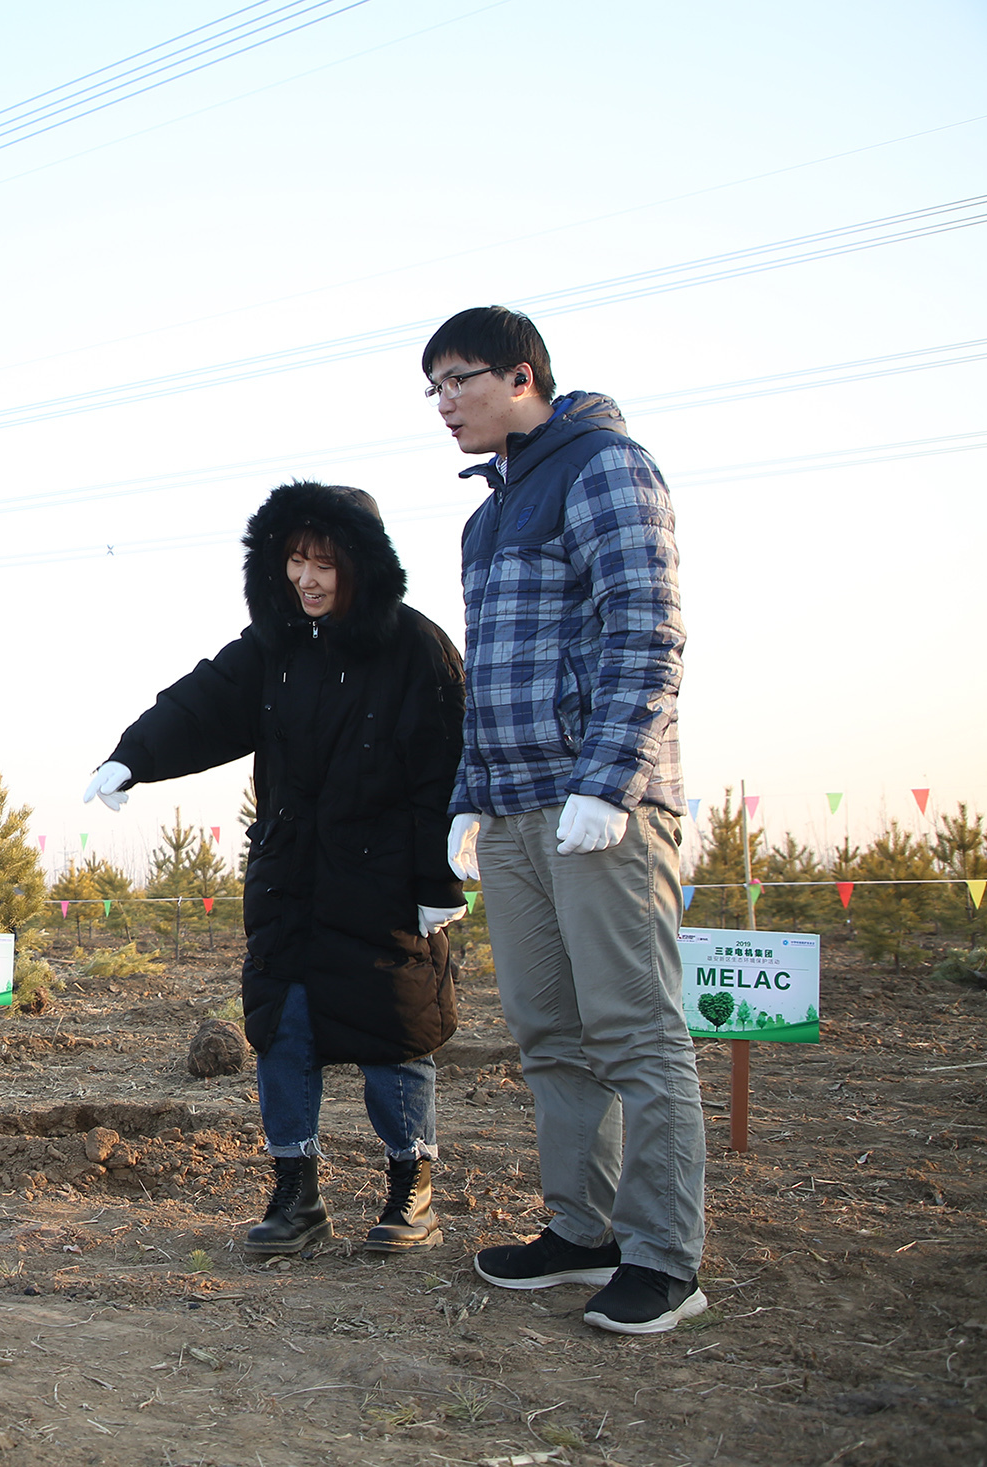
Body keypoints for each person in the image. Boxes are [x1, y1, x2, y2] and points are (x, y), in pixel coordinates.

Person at [82, 482, 467, 1254]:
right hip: (291, 882)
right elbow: (203, 702)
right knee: (285, 1031)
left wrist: (440, 878)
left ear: (362, 561)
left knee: (393, 1034)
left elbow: (444, 770)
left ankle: (410, 1192)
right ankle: (297, 1194)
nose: (307, 579)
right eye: (295, 560)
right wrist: (133, 755)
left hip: (385, 885)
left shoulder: (416, 649)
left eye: (324, 562)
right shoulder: (276, 647)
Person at [422, 306, 701, 1335]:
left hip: (600, 809)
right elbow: (487, 679)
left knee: (633, 1029)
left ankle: (663, 1258)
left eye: (460, 379)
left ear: (522, 376)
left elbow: (647, 629)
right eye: (433, 388)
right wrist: (468, 796)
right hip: (512, 810)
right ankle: (581, 1231)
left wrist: (609, 780)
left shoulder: (606, 467)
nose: (445, 403)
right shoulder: (486, 517)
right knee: (548, 1034)